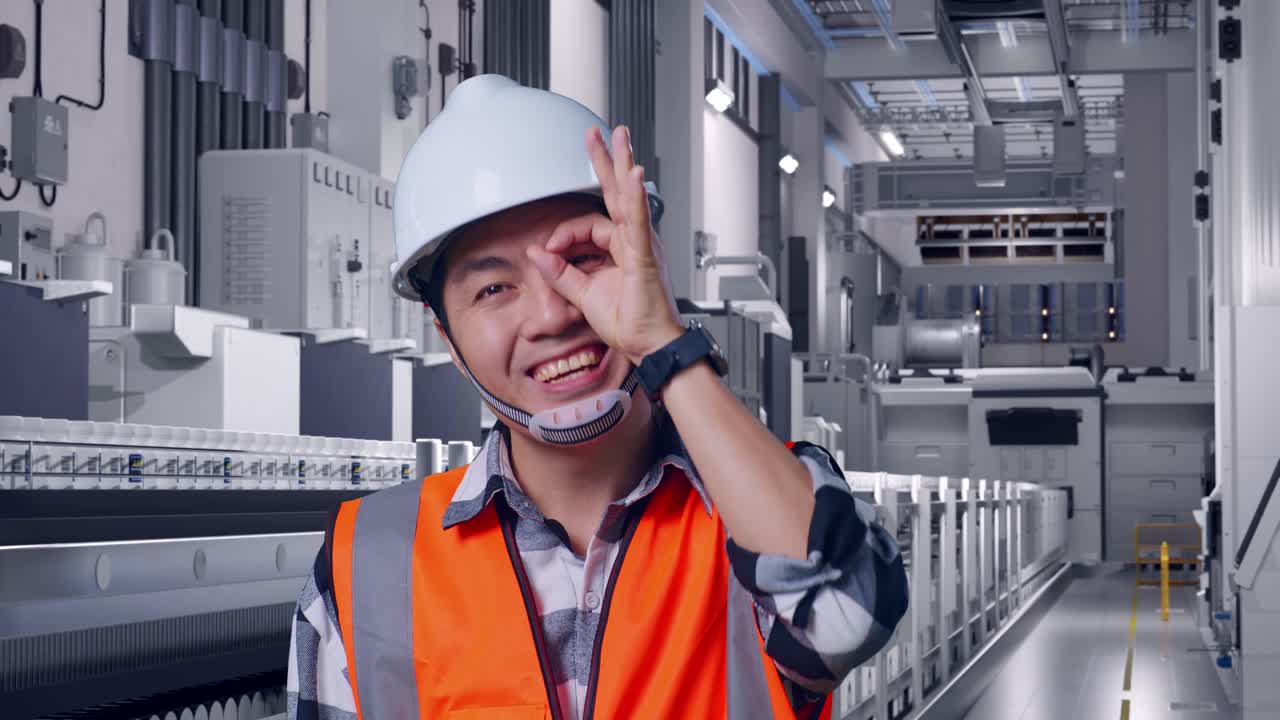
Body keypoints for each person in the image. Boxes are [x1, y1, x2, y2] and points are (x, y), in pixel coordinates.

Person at [286, 74, 907, 720]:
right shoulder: (369, 561)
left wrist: (663, 343)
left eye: (581, 259)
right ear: (447, 334)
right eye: (494, 289)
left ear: (647, 258)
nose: (554, 315)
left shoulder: (758, 508)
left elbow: (852, 615)